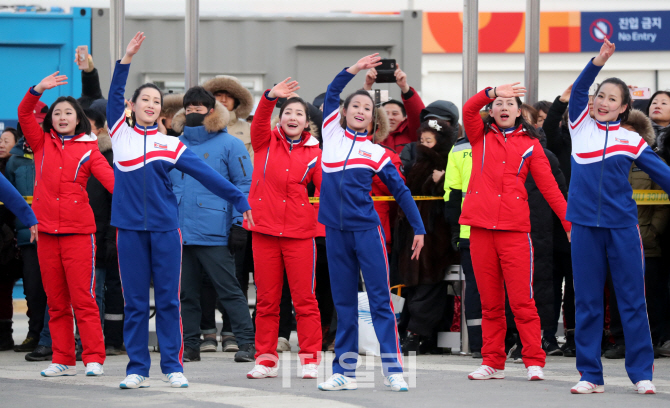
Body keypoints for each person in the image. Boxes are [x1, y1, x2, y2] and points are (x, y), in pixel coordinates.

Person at [108, 32, 254, 390]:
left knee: (170, 300)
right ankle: (137, 368)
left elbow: (209, 177)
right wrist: (126, 59)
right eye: (145, 99)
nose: (151, 105)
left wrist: (242, 202)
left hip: (165, 230)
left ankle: (173, 365)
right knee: (136, 302)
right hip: (128, 230)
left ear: (161, 109)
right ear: (133, 105)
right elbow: (112, 96)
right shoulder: (119, 133)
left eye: (157, 101)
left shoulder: (171, 145)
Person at [566, 38, 670, 395]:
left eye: (612, 98)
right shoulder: (579, 127)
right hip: (583, 229)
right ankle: (590, 375)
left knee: (632, 299)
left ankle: (641, 373)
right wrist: (598, 62)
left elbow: (663, 174)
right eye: (600, 96)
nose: (602, 102)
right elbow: (579, 91)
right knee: (588, 301)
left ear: (624, 108)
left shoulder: (631, 141)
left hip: (623, 228)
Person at [316, 54, 425, 393]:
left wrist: (419, 228)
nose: (360, 110)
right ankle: (343, 372)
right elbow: (333, 90)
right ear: (344, 113)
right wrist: (355, 69)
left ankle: (393, 368)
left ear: (371, 118)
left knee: (380, 300)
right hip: (335, 234)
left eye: (366, 108)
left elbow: (401, 192)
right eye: (355, 106)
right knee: (344, 302)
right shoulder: (330, 133)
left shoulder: (377, 153)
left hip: (367, 232)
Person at [460, 80, 571, 383]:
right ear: (492, 111)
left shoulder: (531, 145)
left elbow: (551, 189)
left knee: (523, 300)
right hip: (481, 230)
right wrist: (492, 91)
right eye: (499, 104)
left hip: (515, 232)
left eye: (511, 104)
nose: (504, 107)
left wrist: (568, 224)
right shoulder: (479, 136)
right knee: (490, 302)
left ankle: (534, 359)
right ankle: (492, 361)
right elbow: (468, 108)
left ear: (520, 111)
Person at [18, 69, 115, 378]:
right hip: (46, 233)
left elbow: (113, 183)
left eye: (68, 113)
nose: (61, 117)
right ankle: (61, 357)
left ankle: (94, 358)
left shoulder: (89, 149)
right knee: (56, 301)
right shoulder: (40, 142)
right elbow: (23, 112)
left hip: (79, 235)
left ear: (78, 120)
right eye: (57, 113)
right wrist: (38, 89)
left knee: (83, 299)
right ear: (51, 119)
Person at [168, 86, 256, 364]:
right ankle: (190, 345)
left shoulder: (230, 144)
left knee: (229, 290)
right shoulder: (174, 145)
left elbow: (244, 185)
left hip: (215, 231)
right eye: (189, 107)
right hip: (180, 231)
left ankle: (246, 343)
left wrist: (238, 225)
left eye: (199, 106)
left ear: (211, 110)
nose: (194, 111)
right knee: (186, 294)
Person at [243, 78, 323, 380]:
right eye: (288, 112)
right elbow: (261, 118)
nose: (293, 118)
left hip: (300, 234)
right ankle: (265, 360)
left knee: (305, 299)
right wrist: (270, 96)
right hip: (263, 230)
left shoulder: (315, 152)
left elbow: (325, 192)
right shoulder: (265, 140)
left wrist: (309, 213)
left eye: (299, 114)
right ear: (281, 117)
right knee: (266, 300)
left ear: (306, 123)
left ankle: (310, 359)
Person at [396, 120, 458, 355]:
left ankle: (419, 334)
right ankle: (416, 334)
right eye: (421, 141)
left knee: (429, 284)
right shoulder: (419, 163)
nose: (423, 145)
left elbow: (450, 197)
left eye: (429, 141)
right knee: (417, 285)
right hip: (416, 233)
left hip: (436, 236)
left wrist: (440, 182)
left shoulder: (446, 163)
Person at [83, 107, 125, 356]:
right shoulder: (77, 156)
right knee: (93, 291)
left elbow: (116, 200)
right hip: (88, 235)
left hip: (111, 235)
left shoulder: (111, 156)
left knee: (115, 290)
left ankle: (114, 340)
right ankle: (92, 340)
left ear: (100, 129)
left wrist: (111, 236)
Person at [541, 84, 576, 357]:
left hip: (583, 226)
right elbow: (550, 127)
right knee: (550, 286)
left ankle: (576, 339)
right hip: (553, 227)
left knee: (578, 288)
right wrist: (561, 101)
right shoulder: (558, 141)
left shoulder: (595, 143)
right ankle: (548, 337)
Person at [444, 131, 483, 358]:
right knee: (484, 287)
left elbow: (451, 192)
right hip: (479, 229)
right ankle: (484, 343)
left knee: (477, 287)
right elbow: (453, 192)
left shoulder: (458, 148)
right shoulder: (461, 148)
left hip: (470, 229)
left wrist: (455, 229)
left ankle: (480, 344)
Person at [363, 65, 425, 153]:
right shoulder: (370, 135)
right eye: (386, 114)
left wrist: (404, 87)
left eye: (395, 114)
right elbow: (359, 112)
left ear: (405, 118)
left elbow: (417, 113)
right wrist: (367, 86)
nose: (390, 117)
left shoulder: (413, 133)